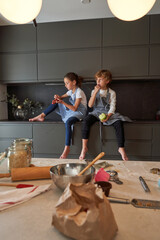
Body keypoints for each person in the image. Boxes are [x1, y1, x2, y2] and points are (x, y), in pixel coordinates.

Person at [29, 72, 87, 159]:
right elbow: (61, 97)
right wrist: (58, 97)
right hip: (73, 112)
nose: (65, 85)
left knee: (68, 122)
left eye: (67, 83)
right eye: (65, 83)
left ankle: (67, 148)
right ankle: (42, 115)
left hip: (80, 113)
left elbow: (75, 108)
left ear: (74, 82)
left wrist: (62, 102)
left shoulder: (79, 92)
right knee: (56, 102)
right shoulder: (71, 91)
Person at [79, 69, 131, 161]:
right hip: (96, 112)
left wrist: (108, 116)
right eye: (97, 79)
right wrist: (95, 92)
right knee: (86, 120)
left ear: (107, 81)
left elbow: (113, 107)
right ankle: (84, 147)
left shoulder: (112, 92)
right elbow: (90, 105)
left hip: (108, 113)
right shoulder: (93, 91)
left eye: (100, 79)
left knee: (118, 123)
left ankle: (121, 148)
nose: (98, 81)